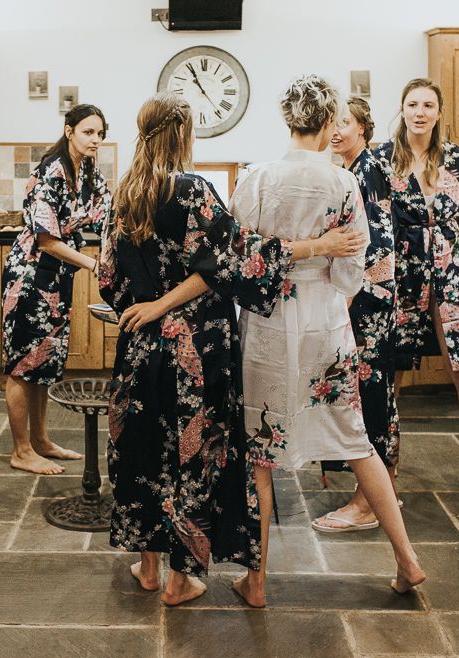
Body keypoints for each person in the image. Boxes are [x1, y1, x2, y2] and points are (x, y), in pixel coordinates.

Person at [99, 92, 366, 606]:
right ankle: (180, 580)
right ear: (184, 134)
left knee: (142, 450)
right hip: (197, 350)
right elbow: (232, 261)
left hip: (140, 348)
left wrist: (145, 307)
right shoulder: (193, 189)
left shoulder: (126, 191)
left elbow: (107, 275)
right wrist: (320, 247)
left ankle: (148, 566)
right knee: (191, 456)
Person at [229, 75, 426, 608]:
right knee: (357, 439)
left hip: (267, 328)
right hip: (326, 327)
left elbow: (238, 260)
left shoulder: (257, 179)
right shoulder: (344, 185)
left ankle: (257, 580)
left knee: (260, 452)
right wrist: (324, 263)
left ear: (289, 119)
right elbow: (350, 275)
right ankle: (407, 560)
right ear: (327, 122)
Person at [374, 78, 459, 496]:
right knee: (392, 371)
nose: (420, 112)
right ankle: (387, 474)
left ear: (439, 112)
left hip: (450, 266)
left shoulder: (453, 155)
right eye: (412, 103)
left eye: (428, 105)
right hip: (402, 272)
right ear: (401, 109)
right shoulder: (381, 158)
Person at [2, 104, 111, 475]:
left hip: (57, 278)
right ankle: (20, 450)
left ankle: (41, 440)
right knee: (21, 365)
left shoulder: (89, 171)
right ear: (69, 132)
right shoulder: (51, 171)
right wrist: (94, 264)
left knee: (42, 362)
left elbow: (107, 211)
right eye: (88, 132)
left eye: (100, 133)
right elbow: (47, 240)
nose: (95, 139)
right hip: (30, 275)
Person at [312, 97, 401, 532]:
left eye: (344, 123)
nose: (336, 130)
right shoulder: (352, 170)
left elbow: (376, 245)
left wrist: (346, 301)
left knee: (370, 396)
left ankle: (368, 503)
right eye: (333, 122)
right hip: (368, 297)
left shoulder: (364, 172)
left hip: (368, 302)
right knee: (373, 394)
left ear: (363, 128)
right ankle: (383, 492)